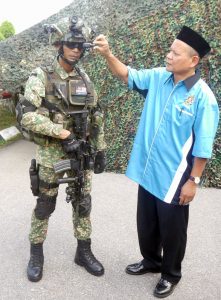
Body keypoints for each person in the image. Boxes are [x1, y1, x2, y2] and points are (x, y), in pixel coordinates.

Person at [94, 26, 219, 297]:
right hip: (148, 171)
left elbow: (204, 146)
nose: (169, 55)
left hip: (174, 178)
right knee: (146, 223)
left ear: (193, 61)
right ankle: (151, 261)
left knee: (173, 231)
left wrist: (193, 181)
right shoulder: (159, 78)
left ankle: (171, 274)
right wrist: (107, 54)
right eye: (169, 50)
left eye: (175, 52)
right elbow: (126, 74)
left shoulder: (202, 97)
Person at [21, 16, 106, 282]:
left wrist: (100, 149)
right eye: (71, 44)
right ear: (60, 45)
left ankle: (84, 252)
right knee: (45, 205)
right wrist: (63, 133)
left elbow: (96, 115)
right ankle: (36, 253)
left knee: (83, 204)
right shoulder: (41, 76)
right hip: (51, 157)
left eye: (81, 47)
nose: (76, 50)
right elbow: (27, 115)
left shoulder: (84, 77)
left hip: (80, 154)